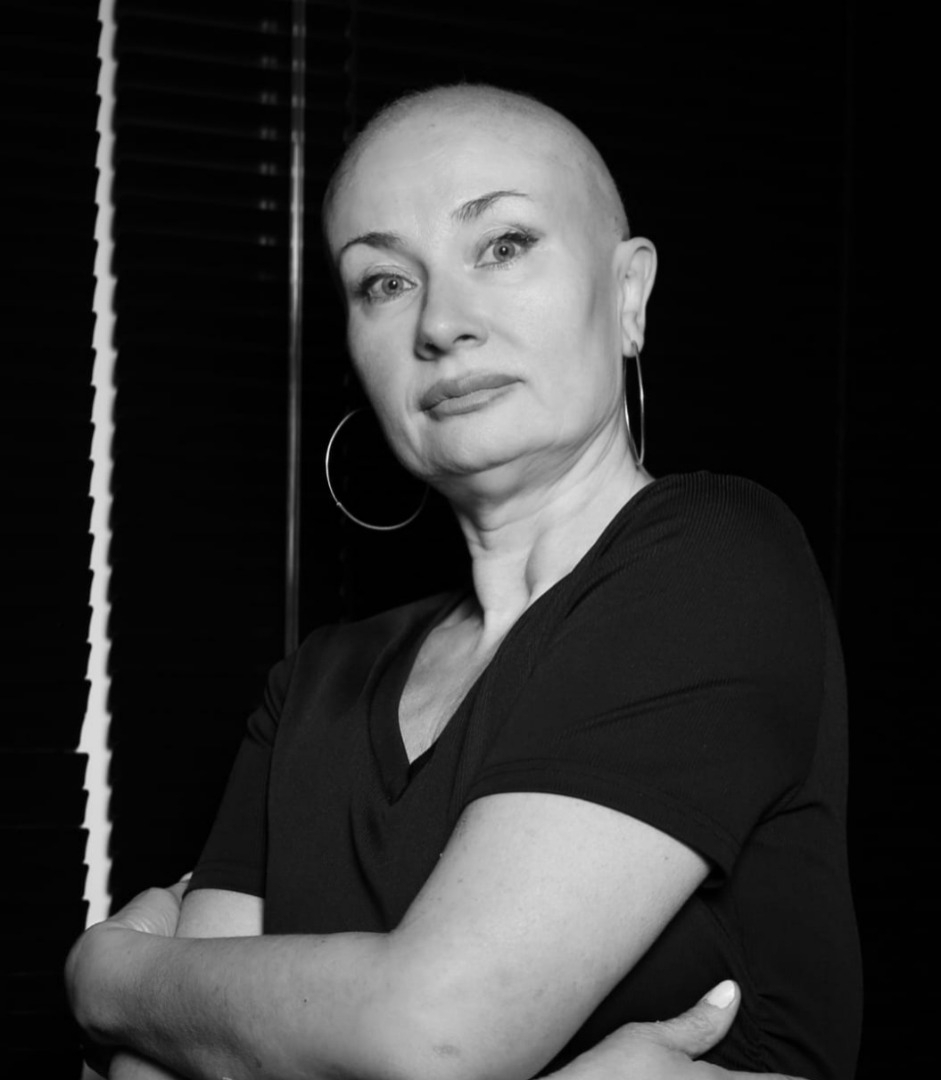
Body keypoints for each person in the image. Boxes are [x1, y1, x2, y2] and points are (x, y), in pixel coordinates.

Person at [67, 84, 861, 1080]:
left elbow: (437, 1034)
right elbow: (157, 1072)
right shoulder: (314, 684)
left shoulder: (715, 560)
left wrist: (108, 978)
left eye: (502, 245)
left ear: (626, 297)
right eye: (384, 282)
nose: (441, 323)